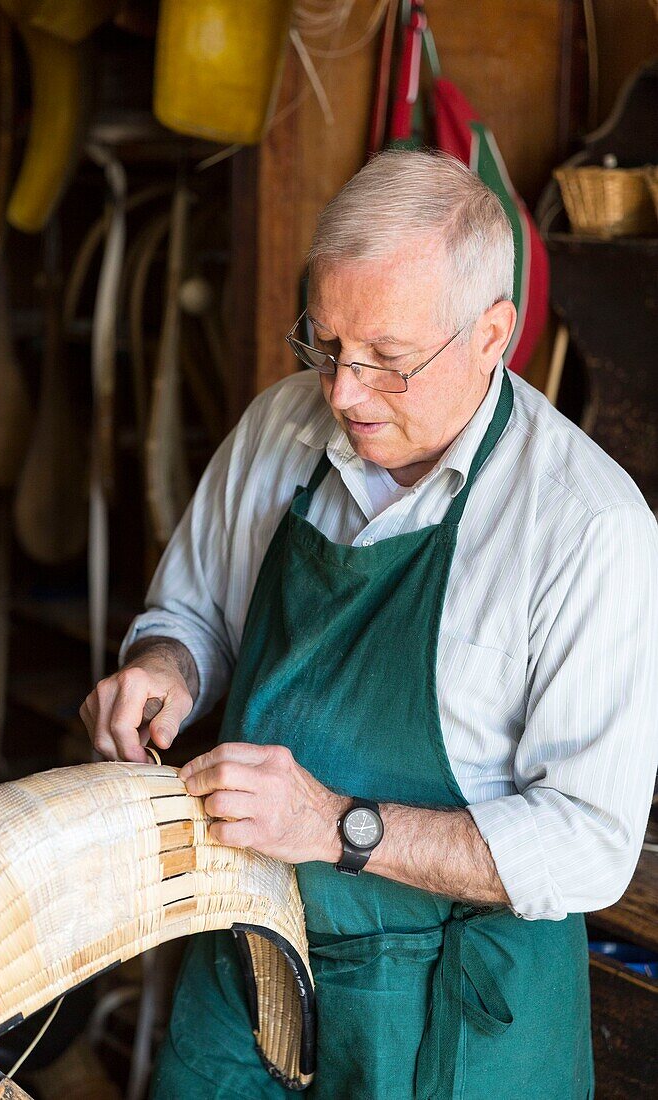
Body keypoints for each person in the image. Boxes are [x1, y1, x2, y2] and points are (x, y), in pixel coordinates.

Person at [80, 149, 658, 1099]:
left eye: (388, 363)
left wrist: (337, 827)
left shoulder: (583, 525)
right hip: (250, 963)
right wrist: (164, 670)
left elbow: (588, 844)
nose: (343, 394)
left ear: (493, 335)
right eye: (325, 344)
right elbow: (189, 614)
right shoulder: (283, 427)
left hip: (446, 1015)